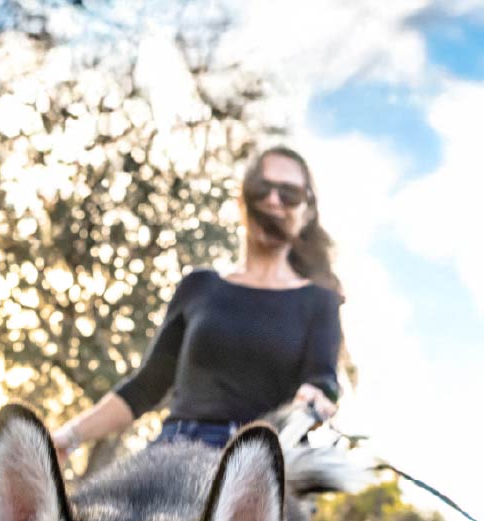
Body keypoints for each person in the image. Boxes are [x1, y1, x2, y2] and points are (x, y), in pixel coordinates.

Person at [51, 145, 343, 458]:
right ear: (242, 201)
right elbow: (146, 386)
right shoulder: (200, 287)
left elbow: (323, 378)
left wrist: (317, 397)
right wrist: (66, 438)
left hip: (261, 464)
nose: (273, 200)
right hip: (176, 452)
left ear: (307, 211)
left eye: (289, 193)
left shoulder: (319, 301)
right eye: (263, 188)